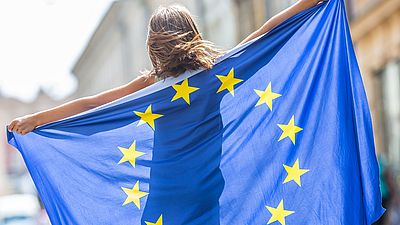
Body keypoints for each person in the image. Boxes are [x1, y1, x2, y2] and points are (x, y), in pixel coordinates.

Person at [8, 0, 323, 135]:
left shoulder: (149, 85)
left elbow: (92, 103)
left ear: (152, 47)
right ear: (193, 35)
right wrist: (307, 4)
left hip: (166, 188)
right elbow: (265, 33)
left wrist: (35, 119)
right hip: (206, 185)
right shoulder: (218, 72)